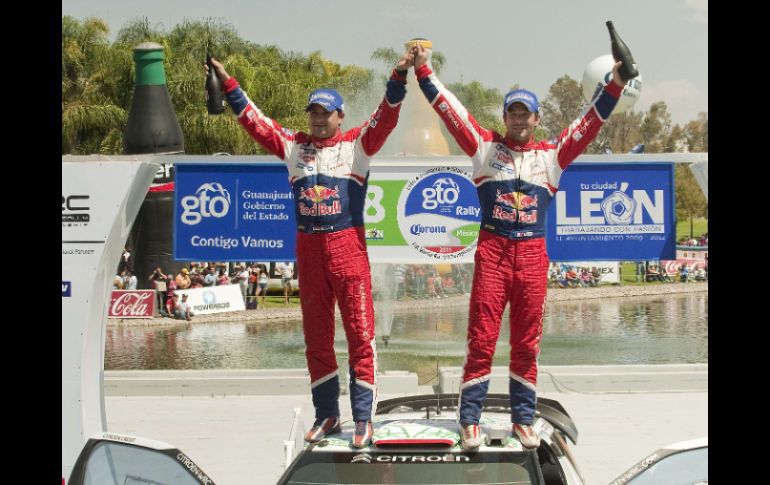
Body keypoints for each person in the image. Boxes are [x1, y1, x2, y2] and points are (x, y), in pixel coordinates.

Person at [412, 44, 631, 449]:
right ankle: (470, 419)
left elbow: (589, 123)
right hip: (493, 253)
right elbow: (451, 112)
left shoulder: (551, 156)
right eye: (512, 112)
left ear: (536, 118)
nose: (518, 119)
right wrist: (425, 73)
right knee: (482, 338)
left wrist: (615, 84)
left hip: (532, 256)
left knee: (527, 342)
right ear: (505, 116)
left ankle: (523, 419)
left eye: (524, 113)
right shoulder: (485, 149)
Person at [206, 48, 415, 448]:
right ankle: (326, 415)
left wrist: (398, 76)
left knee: (361, 334)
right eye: (313, 112)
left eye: (326, 112)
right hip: (308, 249)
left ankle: (363, 419)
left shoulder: (358, 146)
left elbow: (386, 116)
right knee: (316, 338)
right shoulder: (292, 146)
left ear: (340, 117)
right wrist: (227, 80)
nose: (319, 119)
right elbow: (255, 122)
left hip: (348, 247)